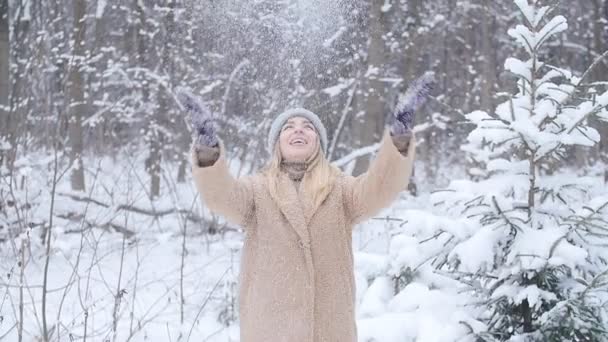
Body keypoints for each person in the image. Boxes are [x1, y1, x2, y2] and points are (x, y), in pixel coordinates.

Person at [177, 72, 434, 342]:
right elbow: (220, 195)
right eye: (288, 126)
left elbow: (382, 187)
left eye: (307, 127)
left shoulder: (342, 189)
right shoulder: (255, 191)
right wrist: (208, 150)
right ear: (276, 143)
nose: (298, 129)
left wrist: (399, 138)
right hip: (269, 331)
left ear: (318, 144)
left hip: (330, 332)